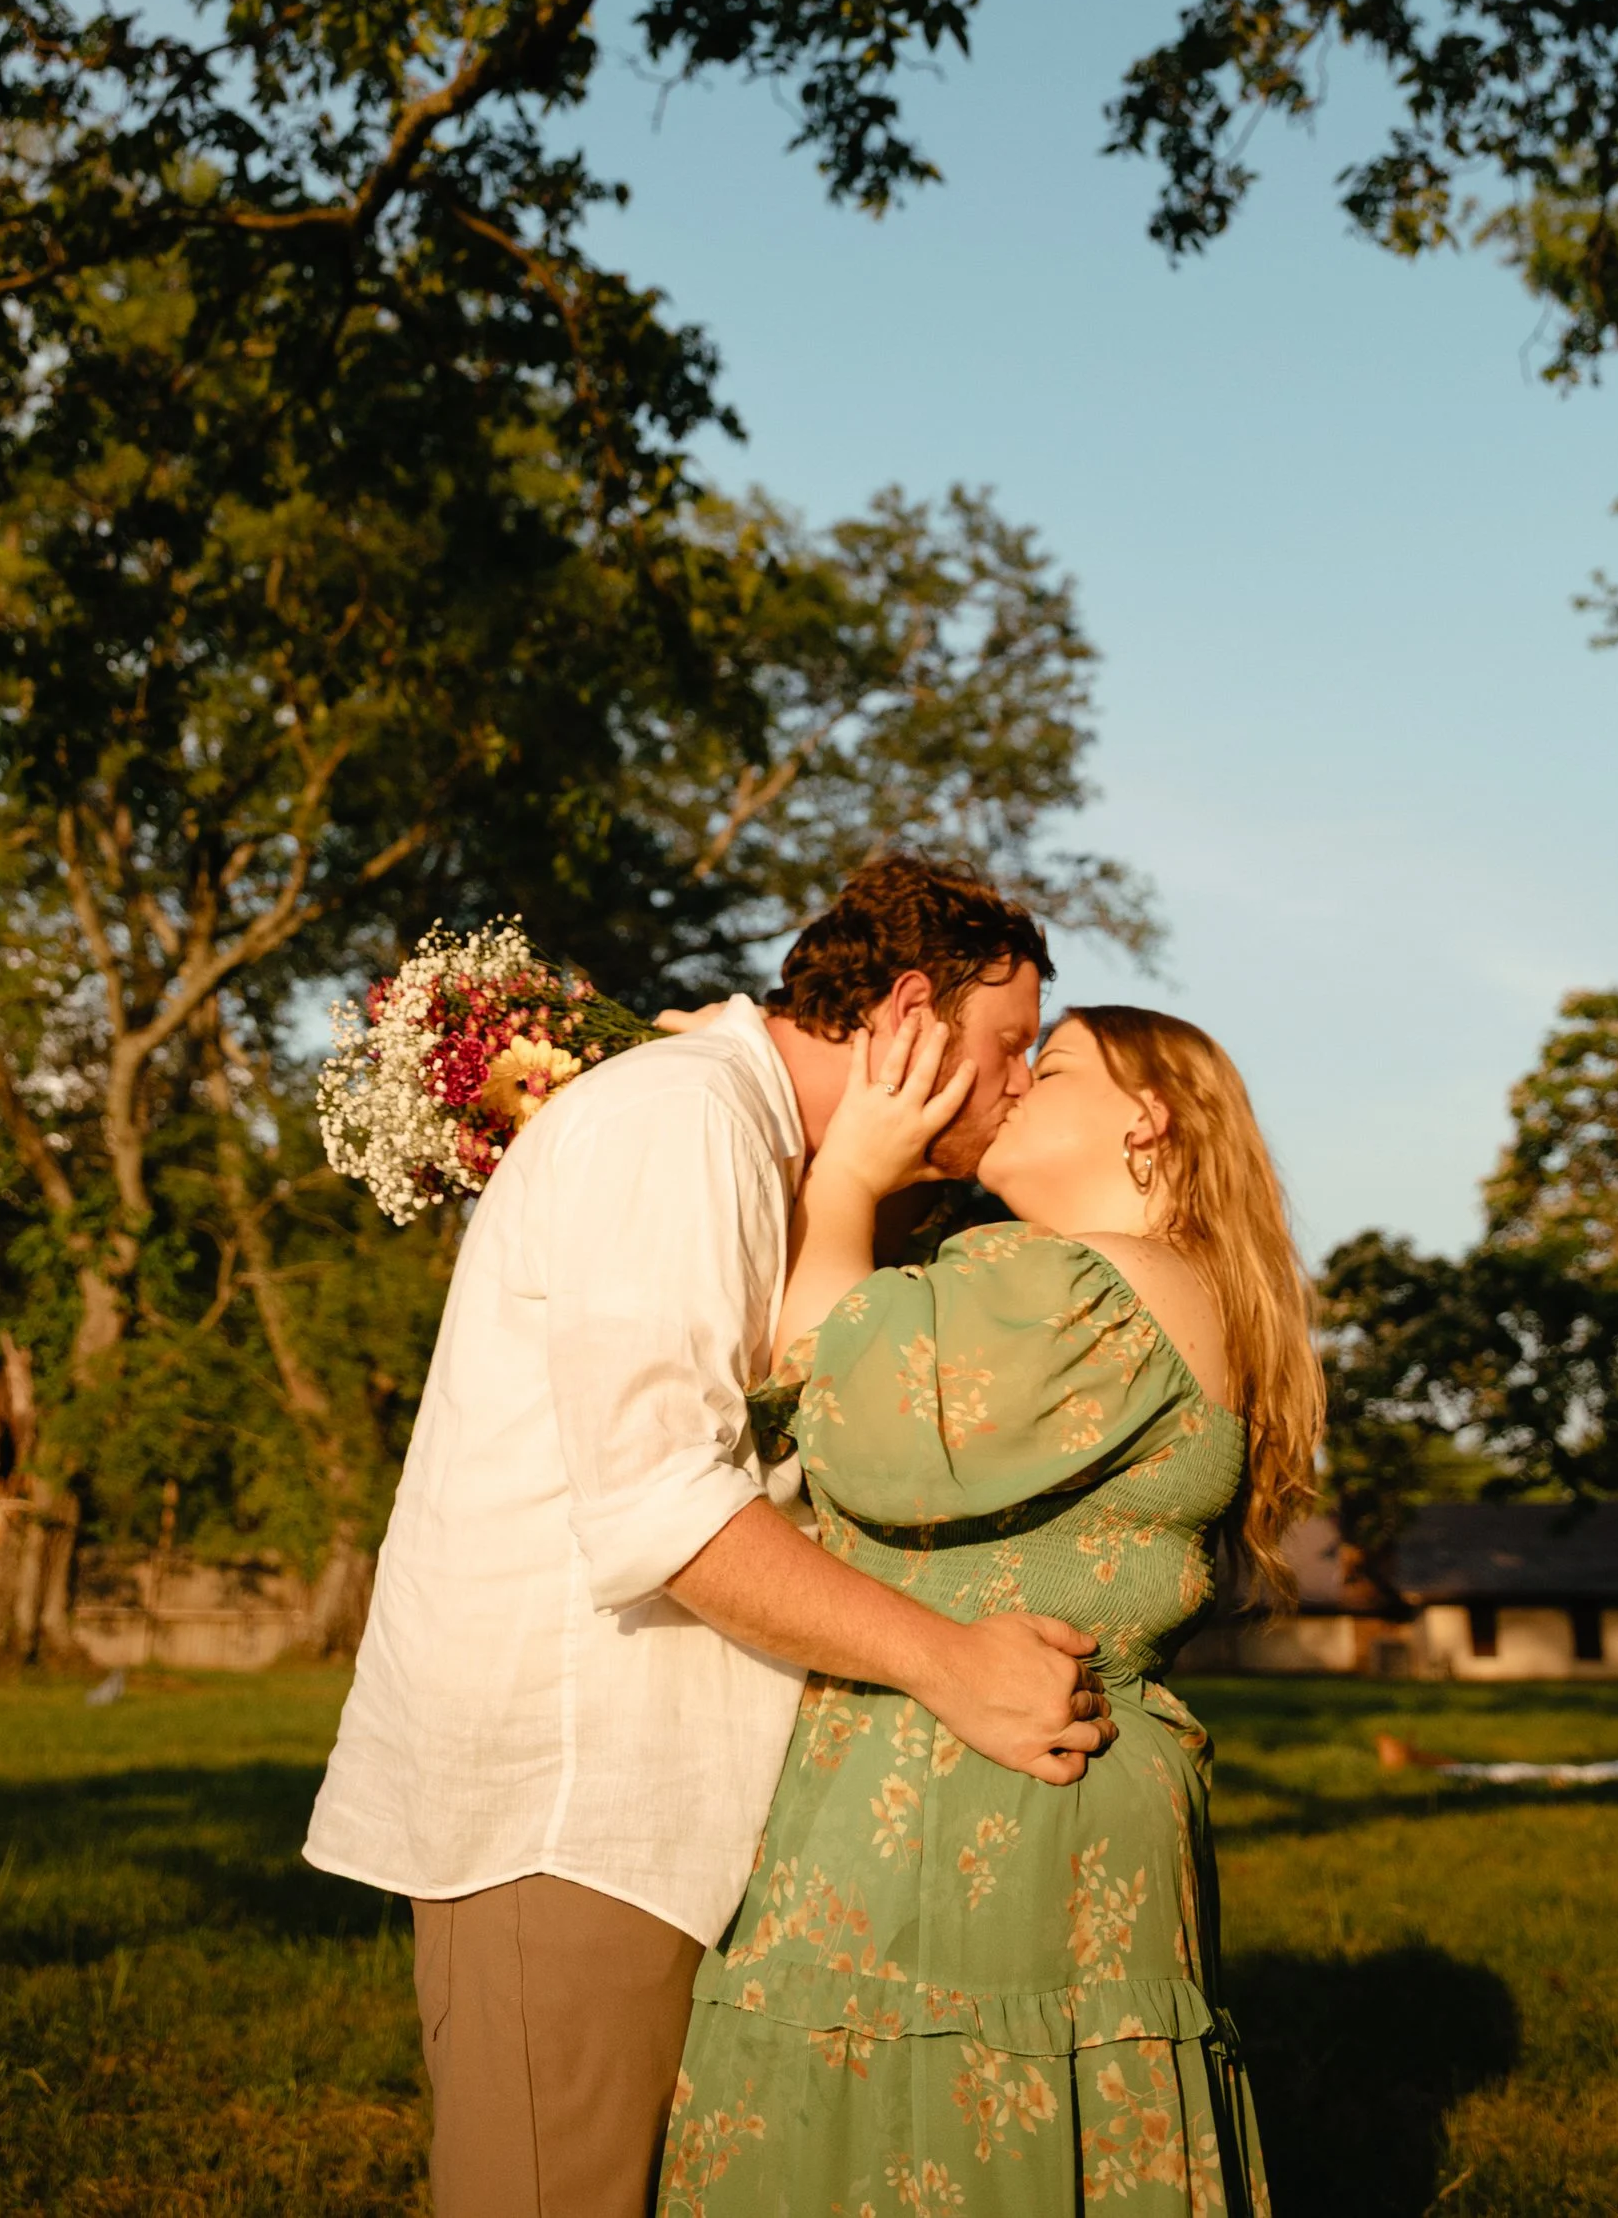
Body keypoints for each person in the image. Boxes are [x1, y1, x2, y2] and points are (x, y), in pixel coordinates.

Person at [303, 853, 1116, 2218]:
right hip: (569, 1813)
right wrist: (949, 1664)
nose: (1022, 1080)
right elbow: (659, 1501)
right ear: (907, 1006)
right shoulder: (678, 1120)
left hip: (661, 1813)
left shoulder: (749, 1136)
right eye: (1009, 1044)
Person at [658, 1000, 1325, 2218]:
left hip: (997, 1809)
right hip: (999, 1774)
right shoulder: (1151, 1287)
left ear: (1149, 1119)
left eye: (1052, 1062)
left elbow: (850, 1408)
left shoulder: (1100, 1280)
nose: (1015, 1084)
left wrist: (848, 1167)